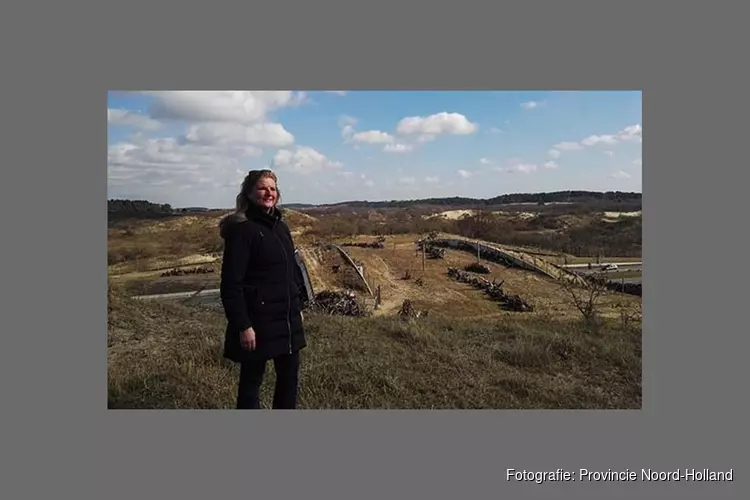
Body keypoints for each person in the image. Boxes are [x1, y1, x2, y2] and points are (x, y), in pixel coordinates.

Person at [218, 169, 308, 409]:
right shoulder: (242, 231)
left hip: (286, 318)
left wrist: (297, 305)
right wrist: (243, 326)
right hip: (257, 320)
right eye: (262, 188)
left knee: (289, 379)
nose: (269, 192)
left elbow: (291, 272)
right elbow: (231, 285)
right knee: (251, 381)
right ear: (248, 193)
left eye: (273, 188)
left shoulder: (281, 228)